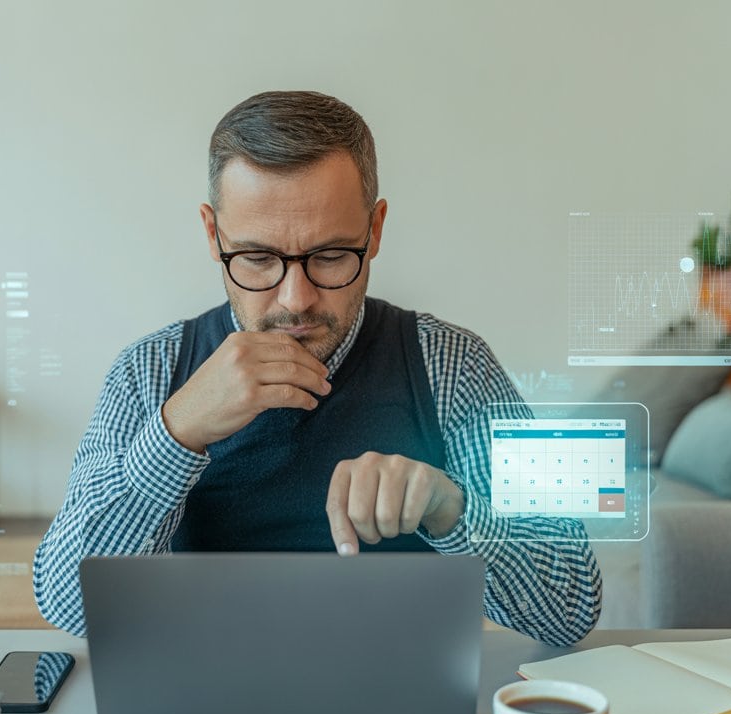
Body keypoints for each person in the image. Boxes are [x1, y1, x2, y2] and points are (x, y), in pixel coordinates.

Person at [34, 91, 601, 647]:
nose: (295, 300)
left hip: (395, 697)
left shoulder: (455, 365)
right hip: (199, 696)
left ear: (375, 231)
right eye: (258, 258)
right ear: (212, 234)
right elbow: (66, 605)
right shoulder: (149, 372)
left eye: (330, 256)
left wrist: (449, 508)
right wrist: (175, 433)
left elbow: (570, 606)